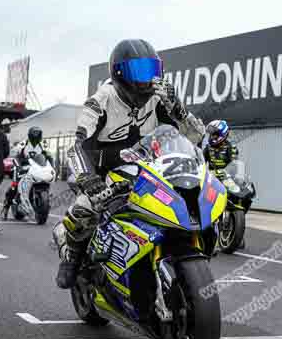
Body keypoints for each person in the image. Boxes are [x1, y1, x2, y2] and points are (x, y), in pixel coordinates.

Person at [52, 38, 205, 289]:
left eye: (152, 70)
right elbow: (77, 146)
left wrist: (178, 110)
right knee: (84, 209)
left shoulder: (159, 98)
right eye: (139, 71)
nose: (147, 80)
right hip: (104, 173)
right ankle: (72, 256)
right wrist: (89, 179)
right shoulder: (100, 101)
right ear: (119, 73)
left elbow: (194, 138)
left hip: (148, 168)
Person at [3, 126, 53, 220]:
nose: (35, 139)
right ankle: (6, 206)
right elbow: (14, 154)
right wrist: (18, 165)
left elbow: (49, 156)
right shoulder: (23, 144)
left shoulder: (43, 145)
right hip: (23, 167)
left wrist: (51, 166)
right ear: (30, 136)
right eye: (34, 137)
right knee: (15, 185)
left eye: (37, 137)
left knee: (46, 180)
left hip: (37, 168)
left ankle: (45, 202)